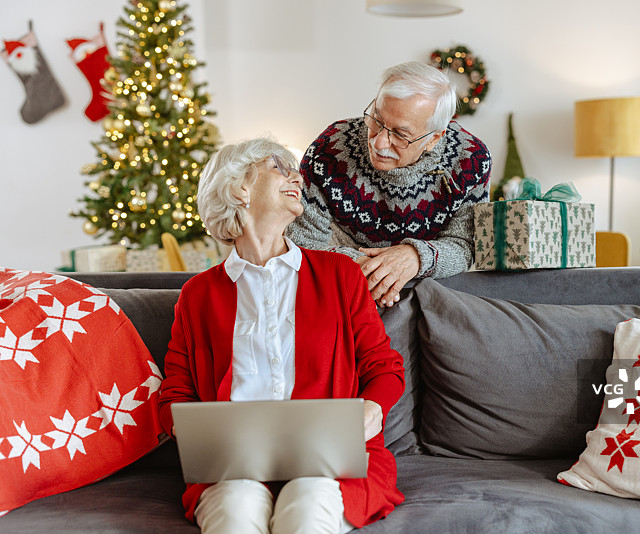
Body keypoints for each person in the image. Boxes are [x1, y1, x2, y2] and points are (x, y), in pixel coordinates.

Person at [158, 137, 405, 534]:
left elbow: (385, 368)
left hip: (330, 463)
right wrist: (190, 432)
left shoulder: (340, 275)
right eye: (280, 168)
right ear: (240, 187)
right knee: (236, 509)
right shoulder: (198, 295)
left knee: (308, 506)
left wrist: (371, 410)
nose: (297, 177)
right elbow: (175, 393)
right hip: (232, 465)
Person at [286, 61, 492, 308]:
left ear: (434, 138)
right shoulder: (330, 147)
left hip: (430, 289)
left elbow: (465, 245)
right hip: (341, 285)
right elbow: (301, 241)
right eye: (376, 119)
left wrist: (415, 256)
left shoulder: (470, 159)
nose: (380, 142)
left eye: (400, 134)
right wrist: (372, 270)